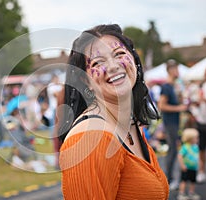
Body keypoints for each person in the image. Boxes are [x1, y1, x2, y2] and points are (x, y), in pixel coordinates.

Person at [58, 24, 169, 199]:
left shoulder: (131, 126)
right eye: (97, 62)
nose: (113, 66)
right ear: (85, 80)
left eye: (119, 54)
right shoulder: (90, 137)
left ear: (134, 59)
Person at [158, 59, 188, 189]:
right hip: (170, 123)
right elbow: (162, 105)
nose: (178, 72)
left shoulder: (175, 86)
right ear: (170, 70)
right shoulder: (166, 87)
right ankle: (168, 179)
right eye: (176, 69)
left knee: (174, 150)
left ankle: (170, 178)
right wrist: (179, 108)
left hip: (175, 122)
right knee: (172, 150)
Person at [177, 128, 200, 200]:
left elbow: (197, 156)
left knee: (193, 181)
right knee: (184, 181)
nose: (198, 139)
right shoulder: (185, 147)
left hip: (194, 167)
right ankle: (181, 193)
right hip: (186, 167)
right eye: (196, 138)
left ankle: (191, 193)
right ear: (190, 138)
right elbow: (180, 156)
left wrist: (198, 164)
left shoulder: (196, 147)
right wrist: (182, 165)